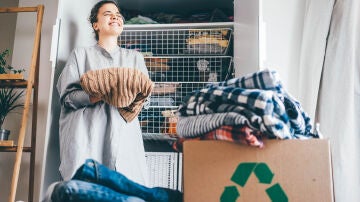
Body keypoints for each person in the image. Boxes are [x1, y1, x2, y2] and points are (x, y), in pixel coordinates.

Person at [56, 0, 149, 186]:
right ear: (95, 24)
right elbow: (67, 98)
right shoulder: (80, 55)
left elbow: (144, 99)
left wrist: (124, 93)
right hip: (88, 138)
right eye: (107, 13)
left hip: (125, 142)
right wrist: (100, 93)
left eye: (118, 14)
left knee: (125, 193)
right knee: (87, 192)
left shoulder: (135, 58)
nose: (115, 16)